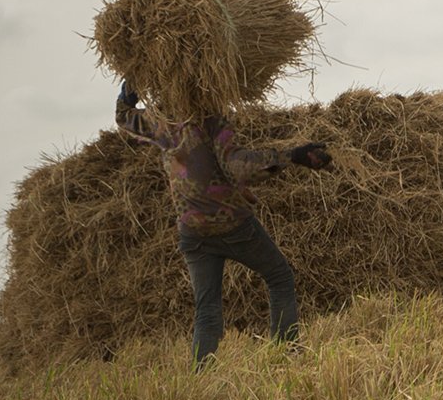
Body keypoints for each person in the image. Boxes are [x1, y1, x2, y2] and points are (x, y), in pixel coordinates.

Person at [115, 80, 334, 365]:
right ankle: (286, 355)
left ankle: (201, 377)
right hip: (231, 225)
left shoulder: (165, 123)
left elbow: (124, 118)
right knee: (280, 276)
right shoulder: (210, 119)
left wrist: (127, 96)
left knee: (207, 309)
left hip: (192, 231)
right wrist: (293, 156)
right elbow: (238, 167)